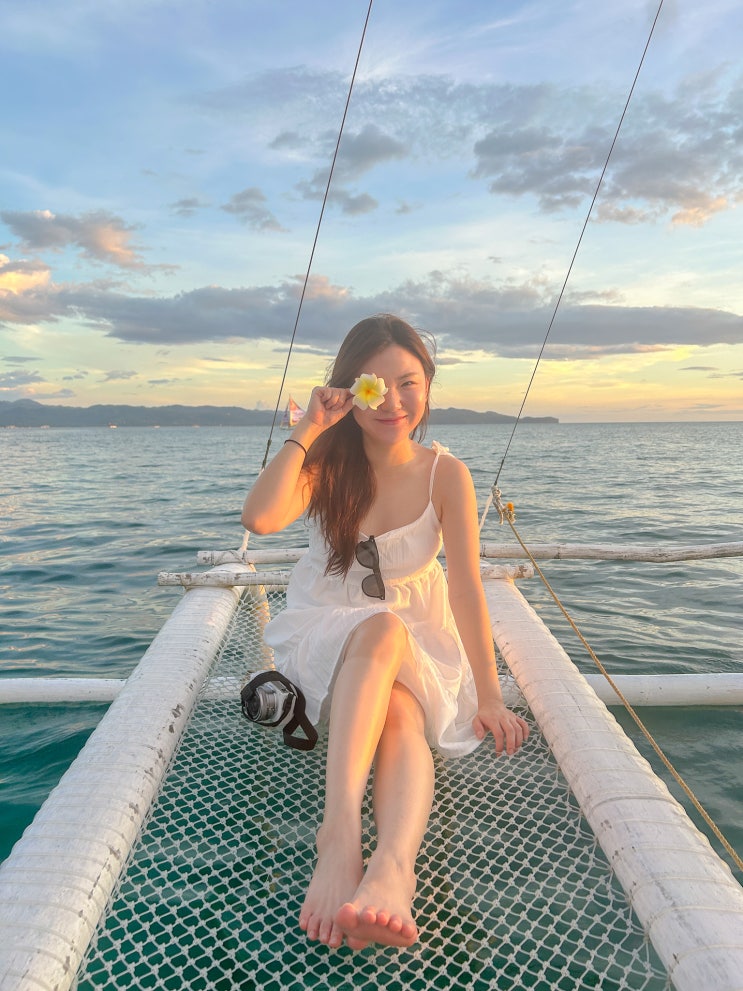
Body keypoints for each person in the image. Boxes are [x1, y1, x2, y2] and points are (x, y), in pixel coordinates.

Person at [241, 314, 529, 952]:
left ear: (428, 386)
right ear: (349, 390)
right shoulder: (324, 465)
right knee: (379, 628)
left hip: (415, 636)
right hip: (326, 635)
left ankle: (393, 870)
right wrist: (310, 428)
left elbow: (465, 588)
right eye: (374, 386)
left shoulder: (445, 474)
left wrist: (488, 695)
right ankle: (339, 837)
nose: (393, 402)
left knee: (401, 712)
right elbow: (259, 519)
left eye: (408, 383)